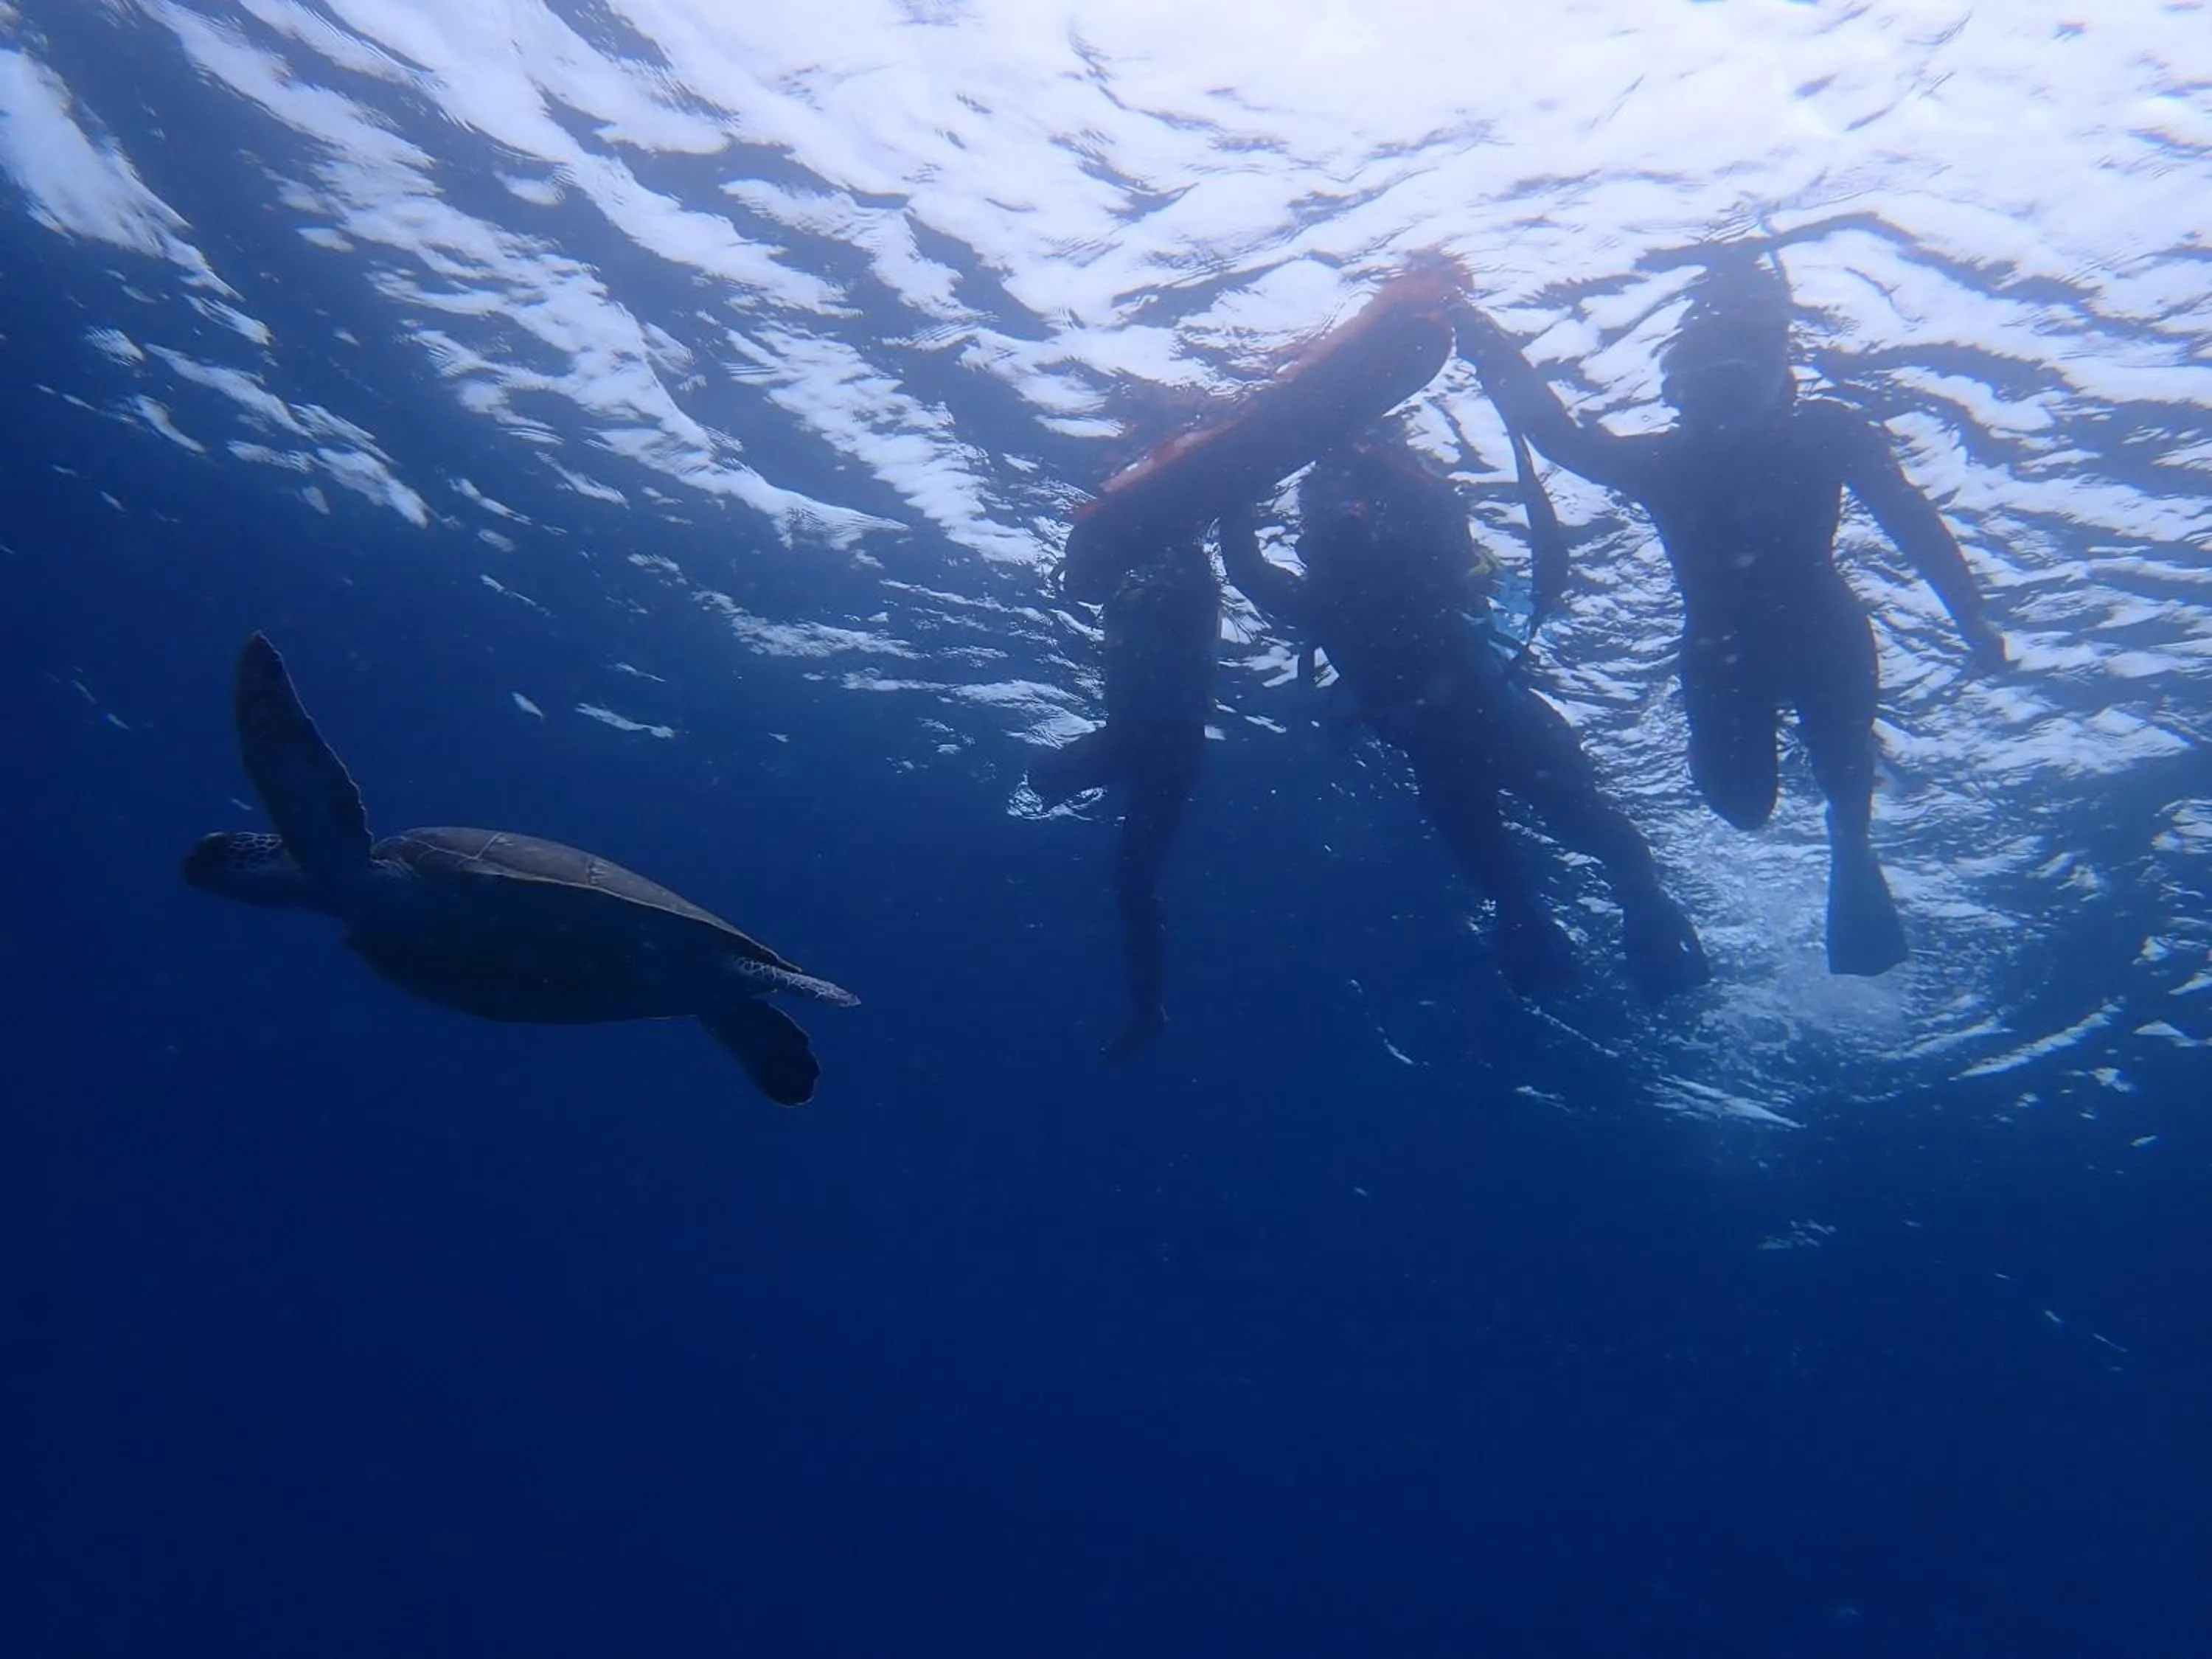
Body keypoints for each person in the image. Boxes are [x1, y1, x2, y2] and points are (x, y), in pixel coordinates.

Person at [1455, 260, 2007, 975]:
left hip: (1809, 642)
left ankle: (1850, 836)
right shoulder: (1674, 457)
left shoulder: (1821, 435)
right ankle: (1847, 805)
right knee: (1743, 808)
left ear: (1783, 372)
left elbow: (1910, 517)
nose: (1725, 385)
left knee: (1842, 790)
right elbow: (1557, 437)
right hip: (1736, 651)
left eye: (1744, 366)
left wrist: (1971, 615)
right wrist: (1485, 340)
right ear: (1679, 389)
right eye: (1704, 372)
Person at [1218, 429, 1709, 1004]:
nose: (1348, 521)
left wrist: (1342, 457)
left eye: (1358, 508)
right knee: (1506, 880)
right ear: (1315, 537)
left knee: (1604, 841)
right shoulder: (1321, 600)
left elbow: (1435, 511)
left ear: (1384, 512)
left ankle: (1647, 914)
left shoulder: (1427, 559)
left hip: (1509, 730)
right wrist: (1236, 494)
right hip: (1450, 762)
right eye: (1331, 518)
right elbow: (1248, 571)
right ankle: (1560, 932)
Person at [1032, 526, 1222, 1059]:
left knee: (1133, 882)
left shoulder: (1190, 602)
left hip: (1171, 747)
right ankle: (1148, 1008)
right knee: (1040, 779)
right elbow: (1085, 587)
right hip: (1127, 736)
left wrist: (1186, 533)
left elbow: (1198, 585)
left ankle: (1148, 1009)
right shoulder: (1127, 591)